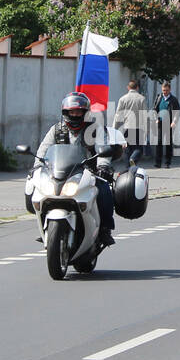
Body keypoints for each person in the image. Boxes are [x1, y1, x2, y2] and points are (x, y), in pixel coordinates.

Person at [35, 92, 116, 246]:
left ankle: (105, 229)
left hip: (88, 172)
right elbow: (43, 150)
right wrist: (38, 166)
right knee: (37, 188)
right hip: (61, 173)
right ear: (65, 113)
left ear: (85, 112)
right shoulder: (57, 129)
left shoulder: (95, 129)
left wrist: (103, 165)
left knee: (104, 189)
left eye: (78, 112)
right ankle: (45, 225)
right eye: (71, 112)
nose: (75, 115)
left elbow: (102, 147)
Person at [114, 80, 148, 164]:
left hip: (126, 127)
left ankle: (128, 169)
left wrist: (115, 128)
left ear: (128, 88)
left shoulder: (122, 99)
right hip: (138, 127)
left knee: (127, 149)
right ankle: (133, 159)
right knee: (139, 148)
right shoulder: (142, 99)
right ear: (137, 87)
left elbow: (118, 115)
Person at [153, 81, 180, 168]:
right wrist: (156, 118)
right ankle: (158, 162)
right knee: (159, 142)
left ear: (170, 90)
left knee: (168, 143)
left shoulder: (173, 100)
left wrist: (174, 122)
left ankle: (167, 162)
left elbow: (177, 112)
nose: (165, 92)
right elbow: (154, 109)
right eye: (163, 90)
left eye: (166, 90)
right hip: (160, 122)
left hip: (169, 123)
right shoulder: (159, 97)